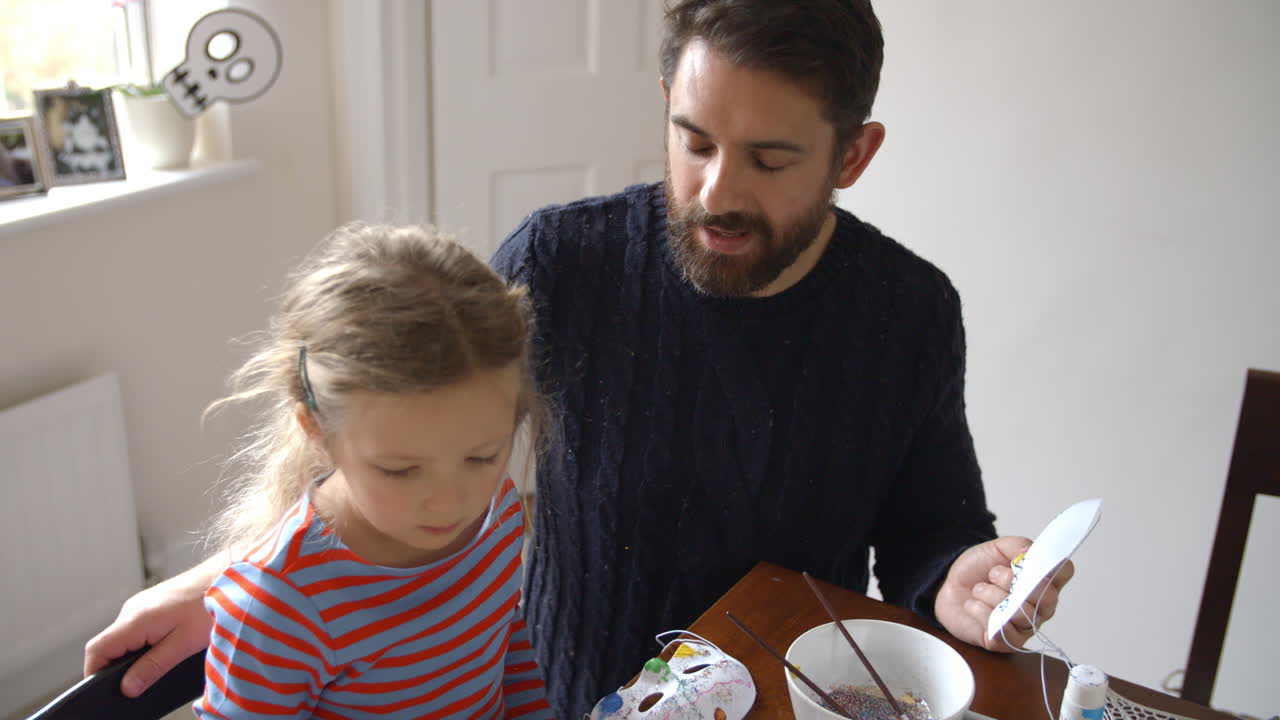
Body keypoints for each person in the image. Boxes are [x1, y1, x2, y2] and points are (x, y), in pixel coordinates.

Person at [85, 1, 1073, 717]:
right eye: (692, 141)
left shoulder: (907, 310)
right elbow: (383, 411)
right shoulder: (562, 258)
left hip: (785, 696)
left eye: (768, 160)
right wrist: (227, 575)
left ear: (851, 156)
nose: (713, 192)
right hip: (560, 694)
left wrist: (956, 580)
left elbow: (930, 527)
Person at [187, 223, 552, 718]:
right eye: (400, 470)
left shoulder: (498, 510)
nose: (452, 502)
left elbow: (504, 643)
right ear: (315, 427)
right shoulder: (281, 606)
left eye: (481, 457)